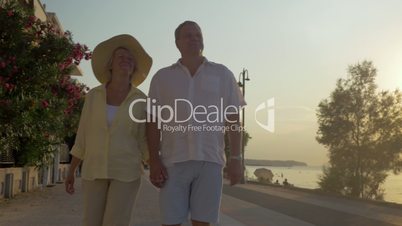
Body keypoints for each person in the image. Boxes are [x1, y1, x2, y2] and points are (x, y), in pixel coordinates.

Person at [147, 21, 246, 226]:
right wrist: (154, 160)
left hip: (210, 161)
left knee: (203, 223)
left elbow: (233, 120)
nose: (194, 38)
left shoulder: (223, 74)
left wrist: (236, 158)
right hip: (173, 162)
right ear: (177, 43)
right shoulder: (162, 77)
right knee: (171, 222)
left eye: (198, 35)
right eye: (188, 35)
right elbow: (153, 121)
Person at [64, 34, 152, 226]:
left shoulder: (141, 100)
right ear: (110, 64)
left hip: (126, 171)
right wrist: (71, 170)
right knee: (91, 221)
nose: (126, 60)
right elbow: (83, 135)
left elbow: (143, 139)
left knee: (116, 222)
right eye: (120, 57)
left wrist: (156, 165)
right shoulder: (94, 96)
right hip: (93, 169)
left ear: (134, 68)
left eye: (130, 59)